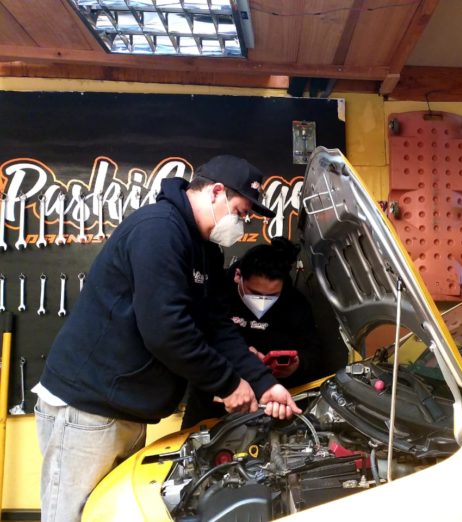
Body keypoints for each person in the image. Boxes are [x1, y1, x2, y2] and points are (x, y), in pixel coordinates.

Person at [32, 155, 301, 522]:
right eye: (241, 212)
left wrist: (262, 382)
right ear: (217, 192)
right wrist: (228, 383)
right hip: (86, 409)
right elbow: (166, 330)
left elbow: (216, 326)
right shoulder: (159, 230)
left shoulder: (205, 249)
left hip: (124, 408)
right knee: (71, 517)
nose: (243, 223)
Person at [181, 237, 322, 429]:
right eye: (255, 292)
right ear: (238, 275)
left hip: (272, 400)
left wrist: (296, 366)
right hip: (213, 397)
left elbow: (313, 352)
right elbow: (196, 341)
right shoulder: (217, 294)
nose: (262, 301)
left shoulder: (295, 304)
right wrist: (242, 362)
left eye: (272, 295)